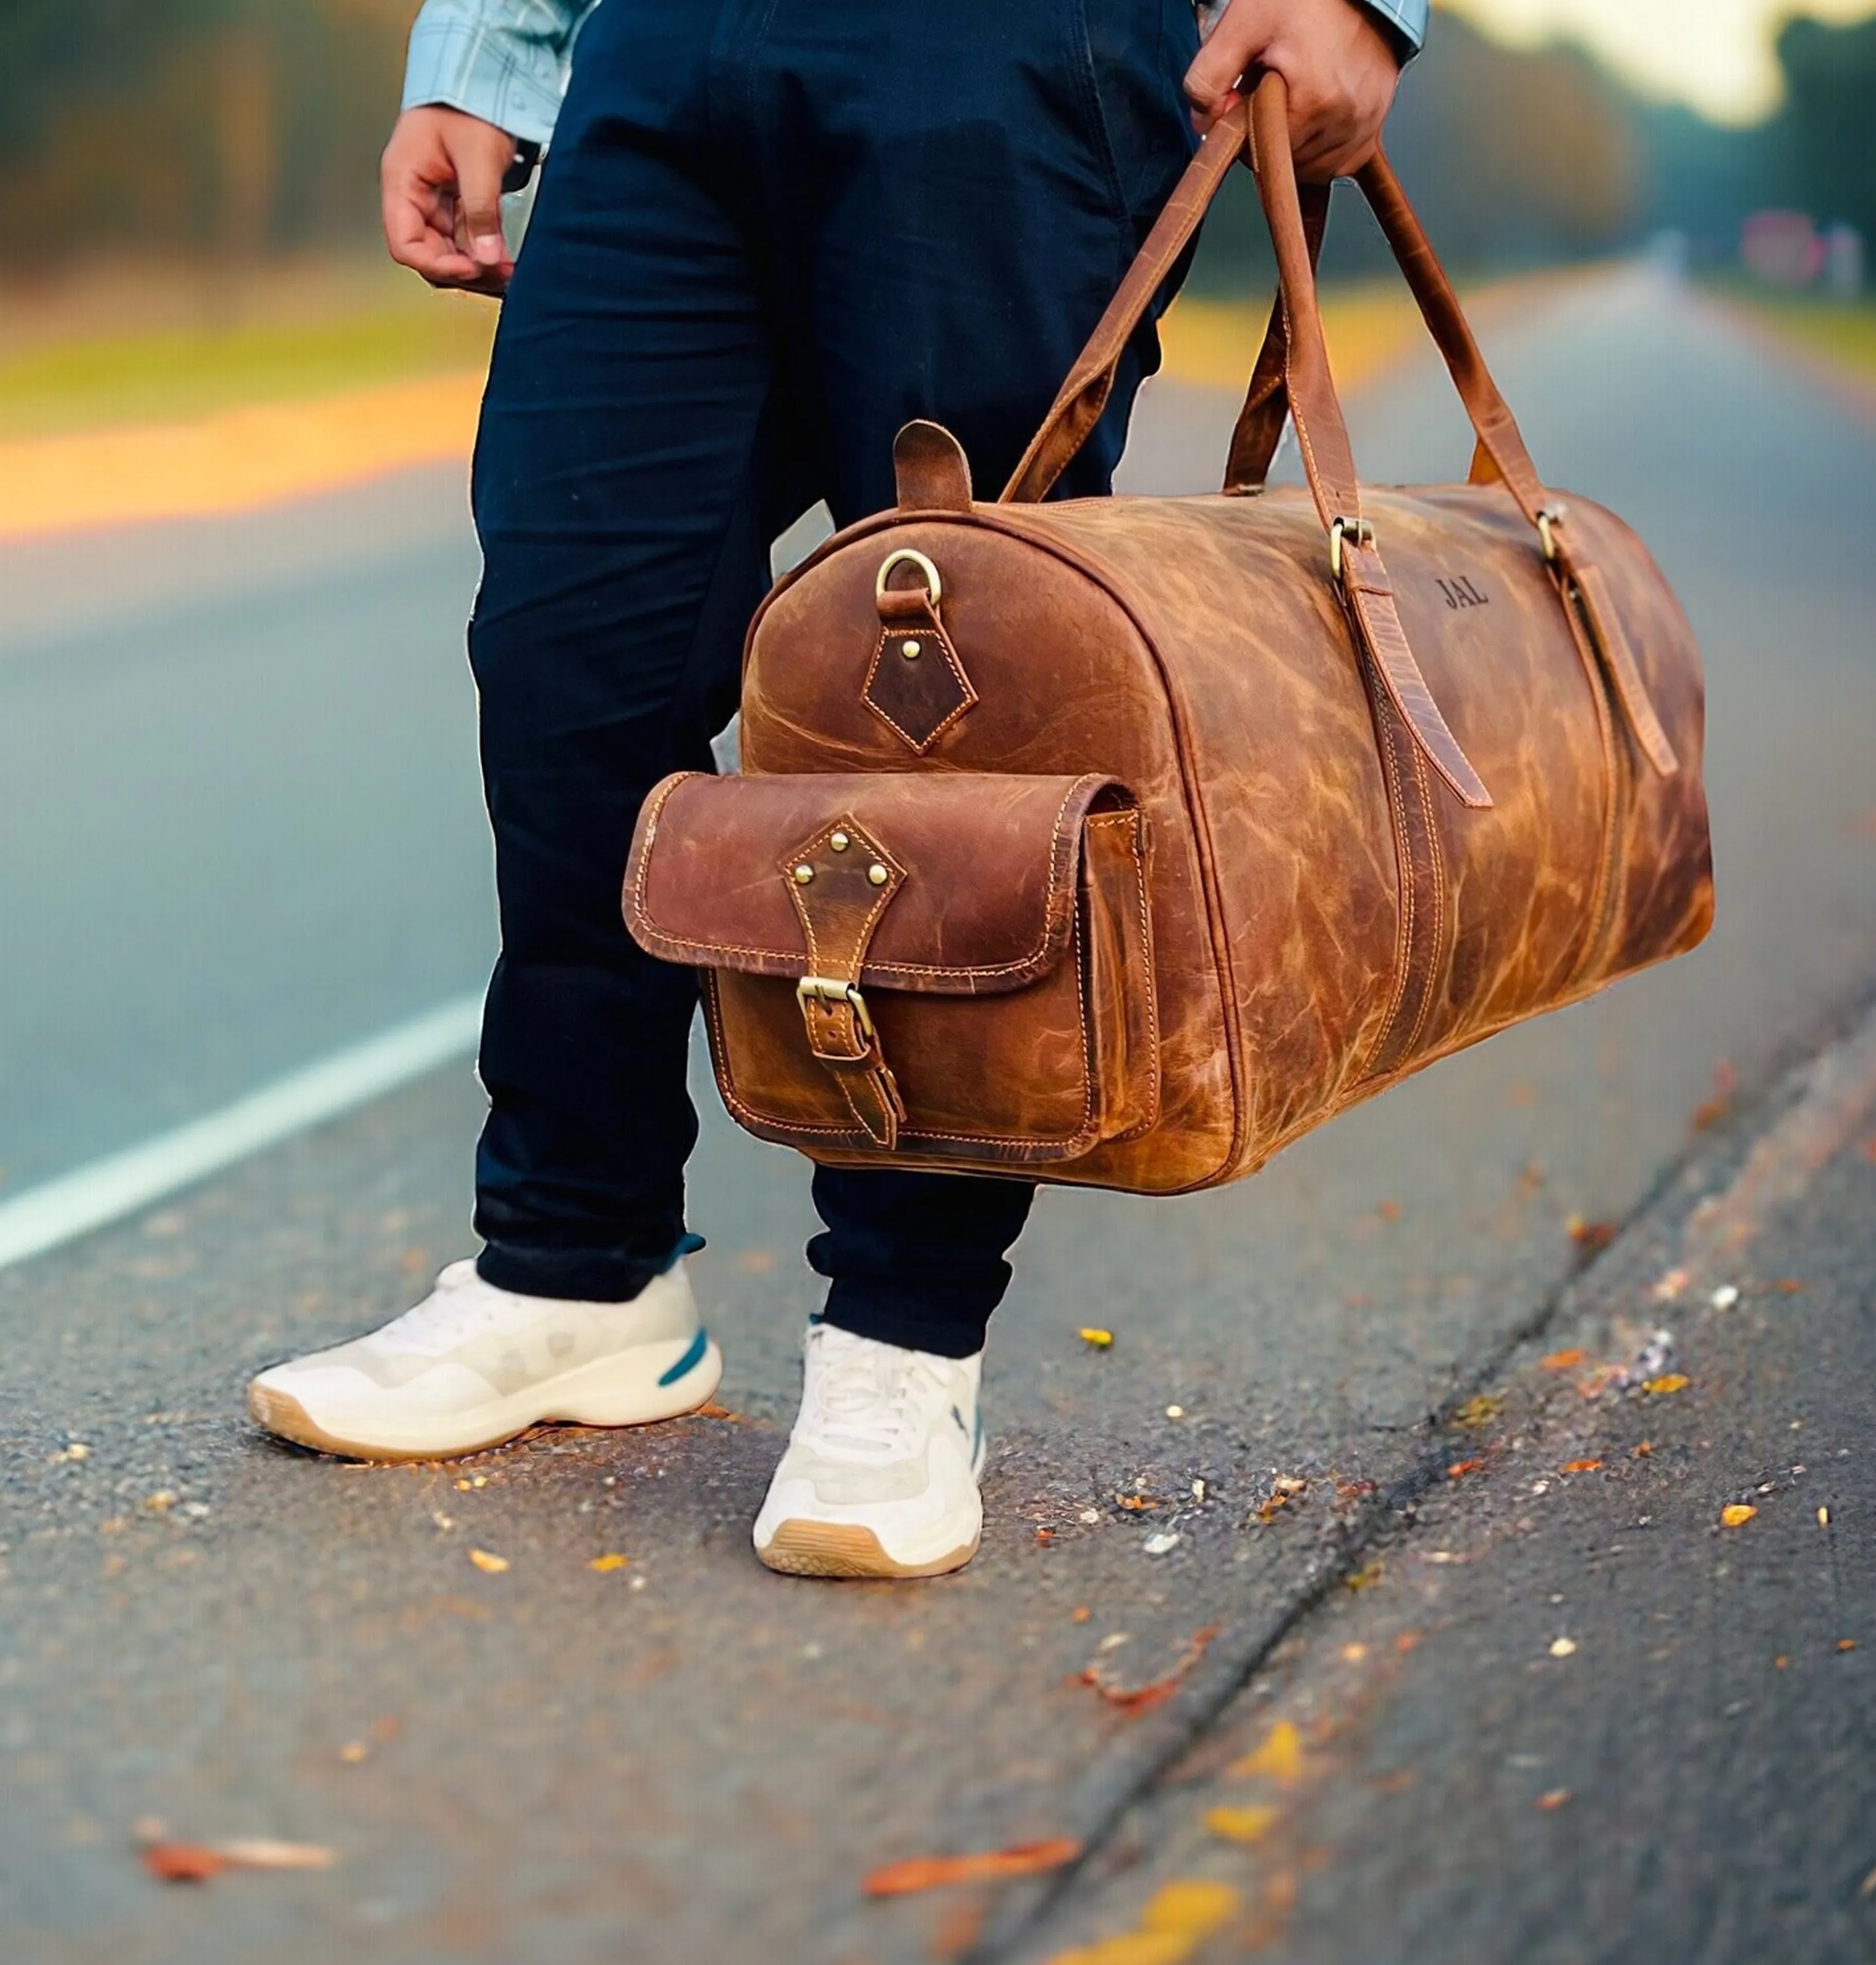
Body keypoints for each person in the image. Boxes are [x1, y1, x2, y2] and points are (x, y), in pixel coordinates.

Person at [248, 0, 1423, 1579]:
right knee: (569, 650)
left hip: (1005, 56)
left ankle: (903, 1342)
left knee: (950, 676)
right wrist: (481, 62)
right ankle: (578, 1271)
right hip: (658, 53)